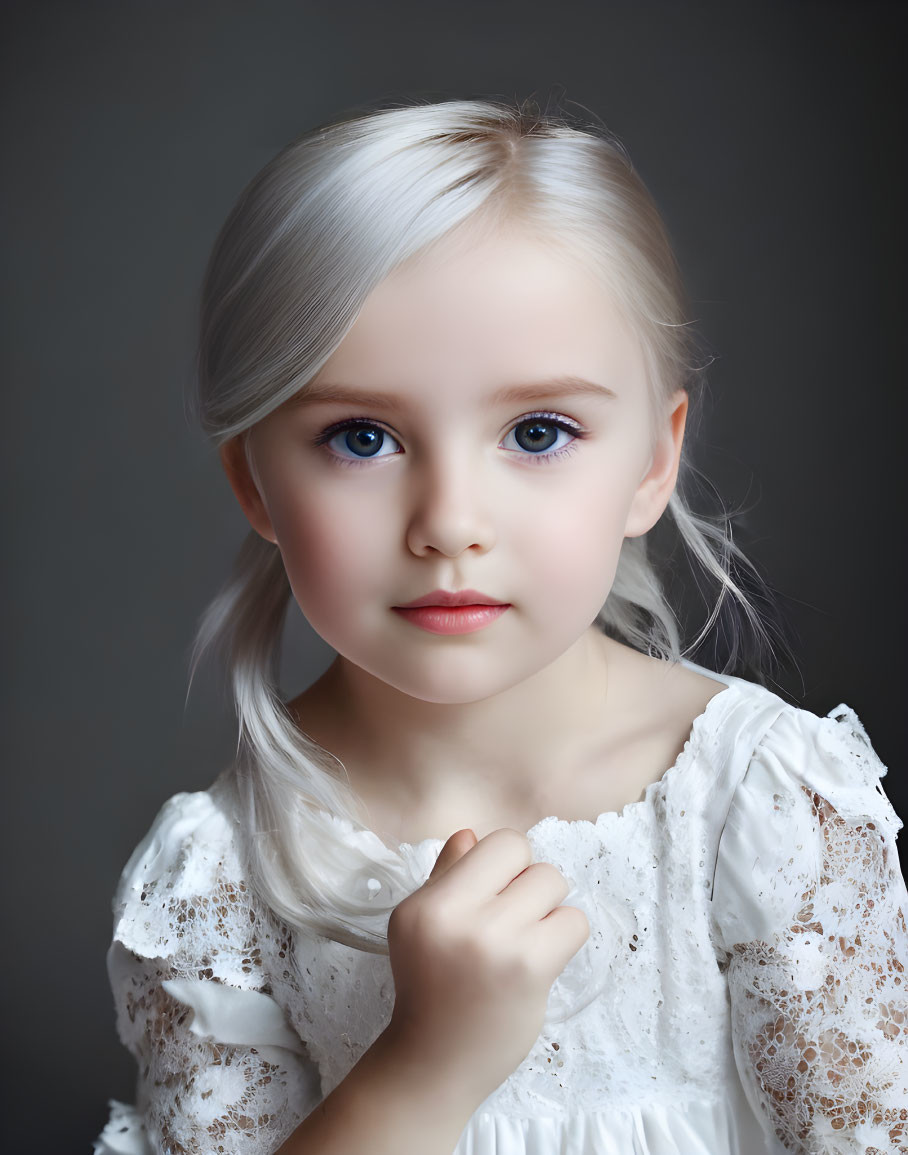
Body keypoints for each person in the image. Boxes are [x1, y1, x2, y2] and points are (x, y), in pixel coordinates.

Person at [94, 96, 907, 1155]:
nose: (449, 526)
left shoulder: (759, 807)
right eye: (360, 437)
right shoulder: (217, 884)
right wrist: (422, 1068)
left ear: (651, 464)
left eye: (535, 431)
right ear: (253, 479)